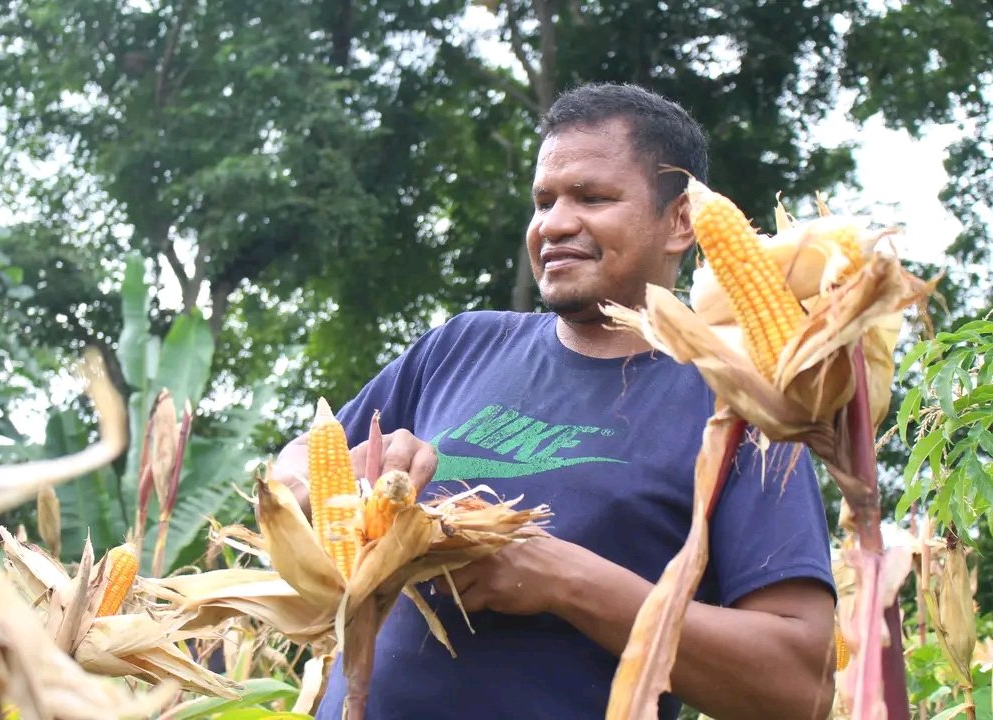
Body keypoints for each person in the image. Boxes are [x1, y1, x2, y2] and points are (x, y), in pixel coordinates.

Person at [274, 82, 837, 720]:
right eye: (544, 201)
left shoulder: (742, 404)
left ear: (680, 221)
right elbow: (293, 467)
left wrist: (563, 580)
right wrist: (332, 485)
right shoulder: (462, 345)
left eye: (593, 198)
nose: (555, 223)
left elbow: (801, 683)